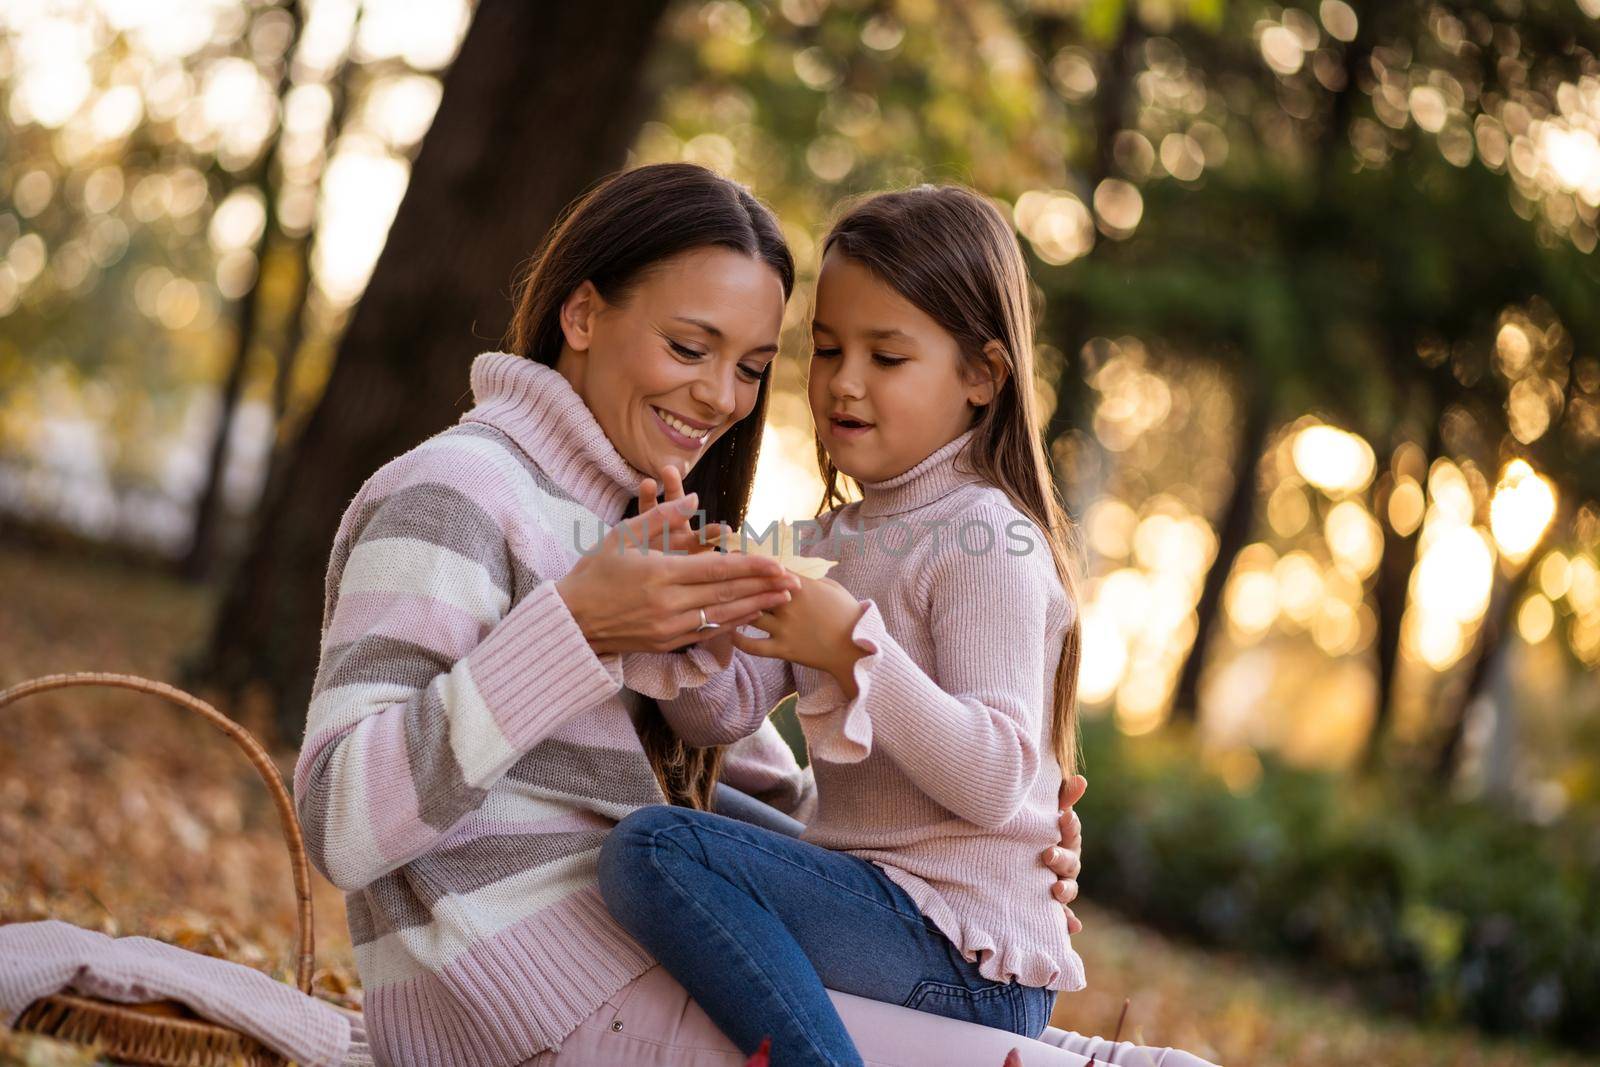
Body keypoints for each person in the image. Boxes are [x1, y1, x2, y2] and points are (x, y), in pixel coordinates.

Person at [292, 163, 1090, 1067]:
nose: (720, 396)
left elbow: (755, 782)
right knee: (660, 849)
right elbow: (342, 823)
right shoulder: (460, 491)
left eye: (752, 367)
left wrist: (1000, 867)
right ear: (584, 313)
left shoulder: (650, 522)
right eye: (688, 347)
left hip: (663, 960)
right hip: (548, 998)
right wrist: (598, 631)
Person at [598, 185, 1217, 1067]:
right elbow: (718, 720)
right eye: (825, 349)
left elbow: (999, 775)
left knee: (654, 849)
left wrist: (851, 651)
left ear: (980, 377)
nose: (843, 383)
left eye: (887, 357)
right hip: (881, 904)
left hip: (959, 951)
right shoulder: (827, 537)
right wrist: (684, 615)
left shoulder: (988, 537)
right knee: (666, 808)